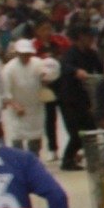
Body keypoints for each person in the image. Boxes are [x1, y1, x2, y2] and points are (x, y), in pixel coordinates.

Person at [56, 23, 104, 171]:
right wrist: (77, 71)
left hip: (86, 98)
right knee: (76, 133)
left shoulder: (91, 54)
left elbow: (100, 69)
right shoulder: (70, 54)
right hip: (69, 99)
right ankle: (67, 160)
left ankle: (92, 160)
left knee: (91, 130)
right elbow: (64, 67)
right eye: (88, 36)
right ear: (80, 37)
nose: (91, 39)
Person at [1, 39, 51, 154]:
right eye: (23, 54)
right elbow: (5, 91)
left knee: (35, 138)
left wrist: (45, 78)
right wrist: (15, 105)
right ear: (17, 54)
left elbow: (46, 77)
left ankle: (33, 160)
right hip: (17, 109)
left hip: (35, 106)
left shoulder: (38, 63)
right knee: (17, 138)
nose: (26, 57)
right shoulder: (9, 69)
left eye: (28, 54)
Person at [33, 18, 70, 157]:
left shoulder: (61, 42)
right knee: (50, 118)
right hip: (45, 86)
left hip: (62, 84)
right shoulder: (34, 46)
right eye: (43, 29)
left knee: (67, 114)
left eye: (49, 29)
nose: (47, 32)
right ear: (37, 31)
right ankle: (52, 148)